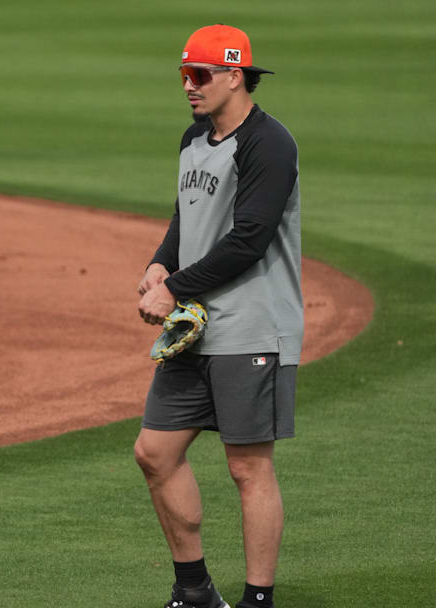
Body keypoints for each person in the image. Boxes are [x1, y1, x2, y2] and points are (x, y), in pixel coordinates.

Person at [134, 25, 302, 608]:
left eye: (199, 75)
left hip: (252, 326)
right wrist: (160, 265)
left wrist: (174, 287)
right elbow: (187, 218)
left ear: (235, 75)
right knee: (155, 453)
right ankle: (194, 591)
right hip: (195, 328)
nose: (189, 86)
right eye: (184, 75)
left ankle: (258, 599)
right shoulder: (194, 138)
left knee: (247, 467)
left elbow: (249, 237)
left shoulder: (269, 144)